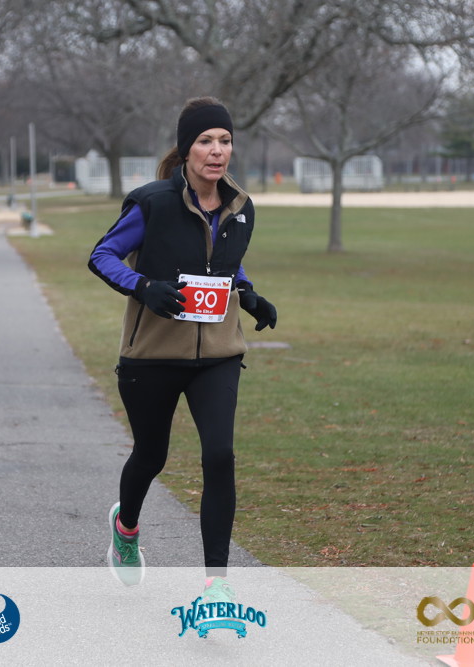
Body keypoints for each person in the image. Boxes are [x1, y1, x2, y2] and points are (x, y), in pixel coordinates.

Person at [89, 97, 277, 601]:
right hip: (152, 355)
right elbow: (102, 255)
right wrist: (144, 287)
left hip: (218, 354)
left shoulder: (241, 207)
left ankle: (217, 586)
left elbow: (224, 262)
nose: (217, 151)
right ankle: (126, 528)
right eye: (205, 141)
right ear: (186, 149)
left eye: (225, 141)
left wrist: (249, 294)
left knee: (220, 455)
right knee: (151, 455)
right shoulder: (152, 202)